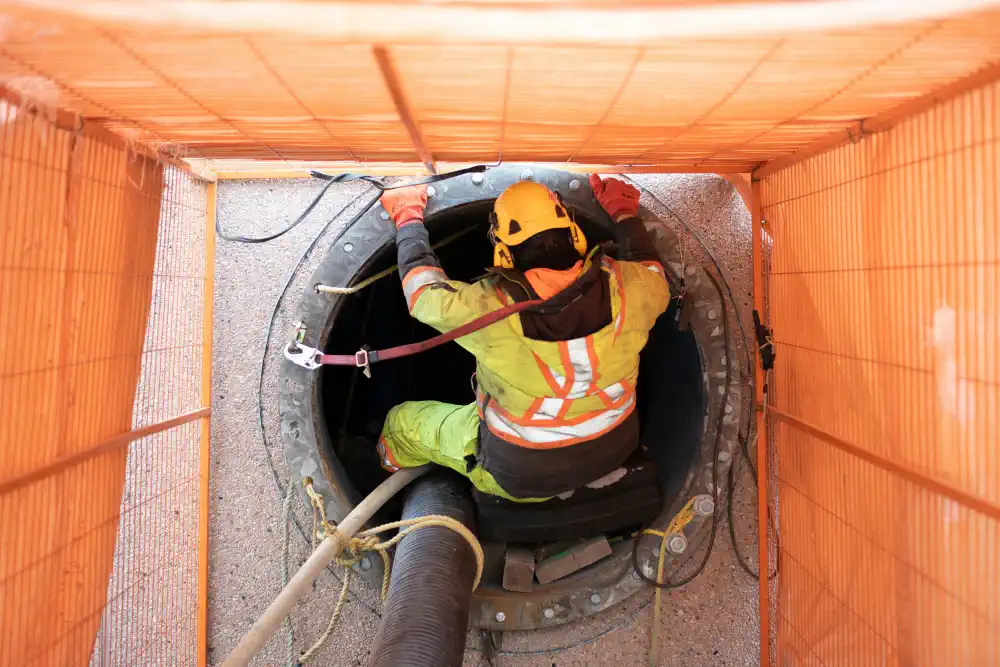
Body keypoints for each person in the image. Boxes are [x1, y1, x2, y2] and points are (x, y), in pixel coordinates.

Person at [375, 175, 670, 501]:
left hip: (519, 476)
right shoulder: (633, 288)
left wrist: (407, 217)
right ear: (575, 234)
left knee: (402, 423)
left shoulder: (491, 308)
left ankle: (378, 472)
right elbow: (654, 271)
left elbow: (423, 296)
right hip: (616, 447)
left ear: (503, 252)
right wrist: (623, 211)